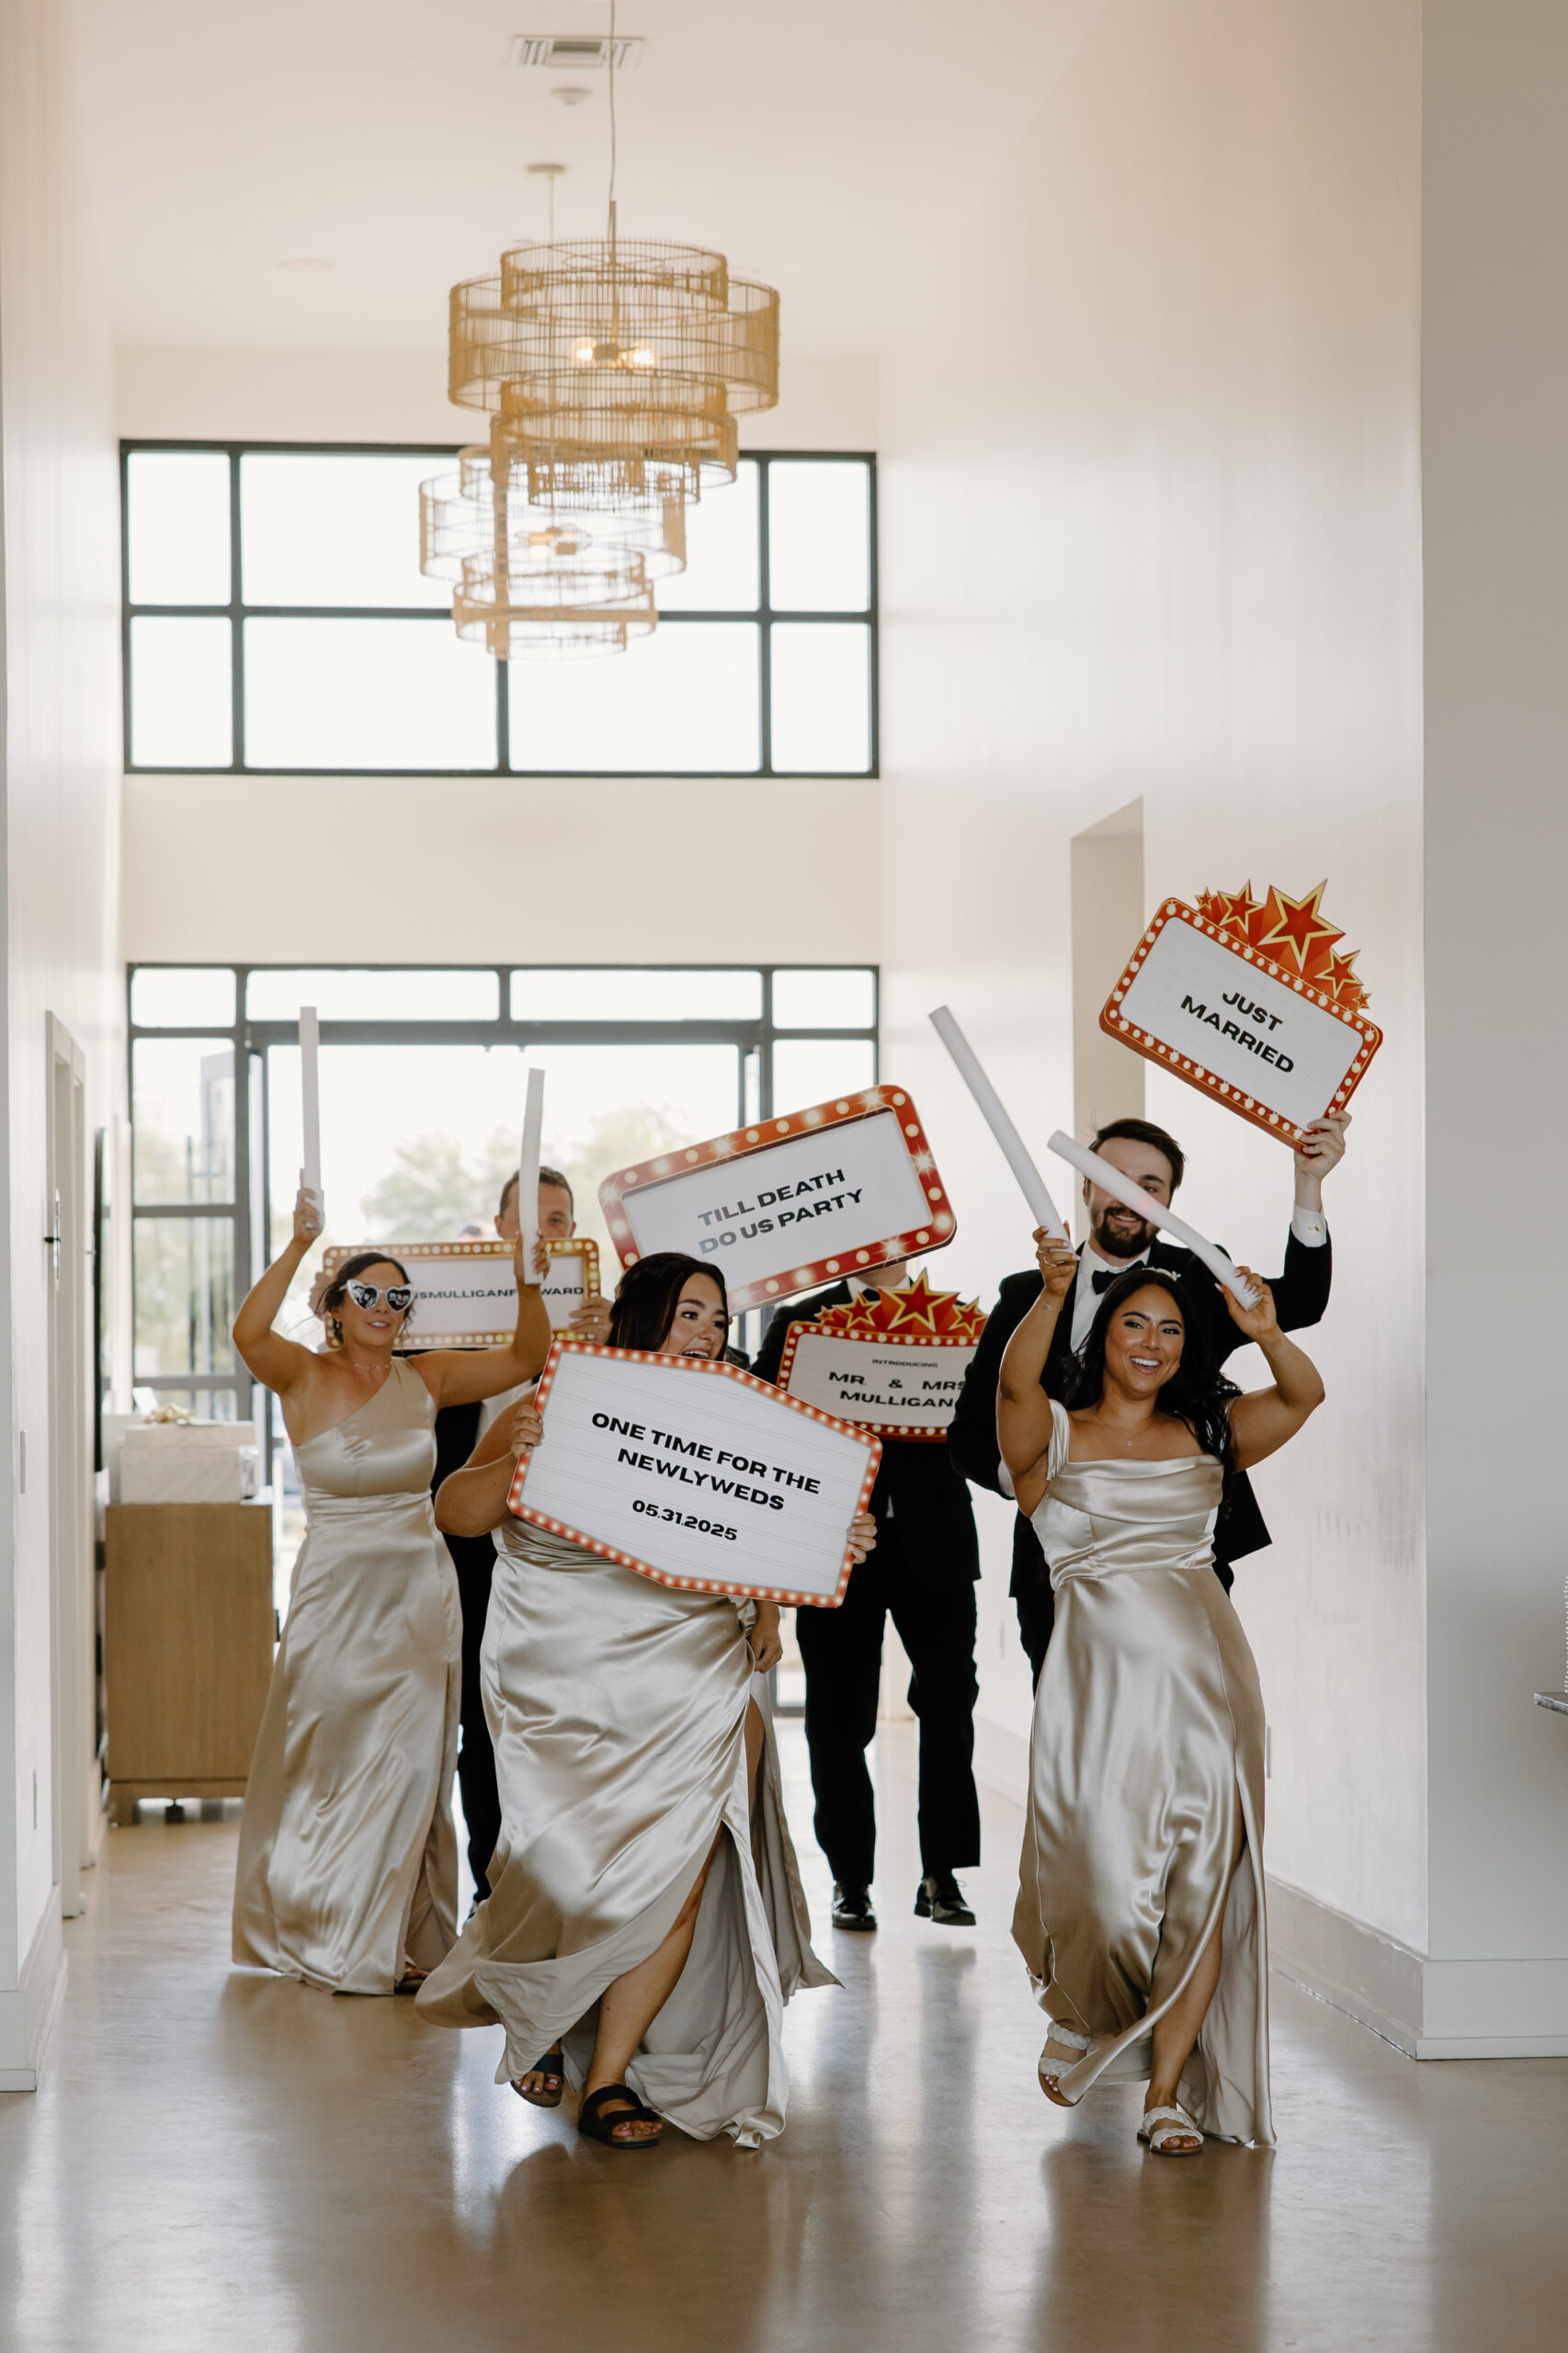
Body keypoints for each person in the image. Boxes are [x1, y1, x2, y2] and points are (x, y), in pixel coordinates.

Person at [417, 1252, 877, 2150]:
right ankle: (542, 2014)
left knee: (680, 1873)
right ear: (641, 1317)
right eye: (689, 1313)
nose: (708, 1332)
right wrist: (519, 1452)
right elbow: (454, 1512)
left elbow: (768, 1533)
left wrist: (827, 1546)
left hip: (696, 1671)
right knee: (558, 1868)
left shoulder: (744, 1419)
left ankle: (608, 2075)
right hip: (561, 1682)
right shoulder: (558, 1397)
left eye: (717, 1319)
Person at [1000, 1233, 1324, 2154]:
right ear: (1101, 1333)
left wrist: (1262, 1328)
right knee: (1095, 1890)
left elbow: (1303, 1394)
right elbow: (1015, 1390)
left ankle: (1164, 2096)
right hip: (1093, 1694)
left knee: (1201, 1889)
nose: (1150, 1341)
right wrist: (1047, 1294)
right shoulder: (1050, 1439)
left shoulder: (1209, 1430)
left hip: (1209, 1682)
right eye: (1132, 1322)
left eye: (1171, 1330)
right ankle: (1084, 2009)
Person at [232, 1189, 551, 1995]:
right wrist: (302, 1242)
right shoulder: (301, 1374)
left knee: (412, 1764)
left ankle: (392, 1936)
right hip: (336, 1594)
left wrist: (531, 1283)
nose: (383, 1307)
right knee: (330, 1759)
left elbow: (524, 1360)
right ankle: (319, 1923)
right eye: (366, 1294)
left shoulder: (429, 1376)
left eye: (397, 1297)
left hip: (417, 1589)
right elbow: (246, 1333)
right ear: (336, 1309)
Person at [949, 1113, 1343, 1682]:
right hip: (1058, 1564)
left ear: (1168, 1201)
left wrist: (1310, 1182)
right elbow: (970, 1437)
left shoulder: (1201, 1275)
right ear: (1085, 1185)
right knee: (1074, 1728)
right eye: (1113, 1178)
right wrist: (1039, 1476)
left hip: (1184, 1553)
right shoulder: (1023, 1296)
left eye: (1150, 1187)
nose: (1131, 1197)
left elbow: (1301, 1301)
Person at [755, 1263, 982, 1934]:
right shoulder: (801, 1320)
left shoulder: (952, 1316)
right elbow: (765, 1414)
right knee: (837, 1718)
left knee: (949, 1703)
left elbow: (985, 1419)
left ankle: (944, 1873)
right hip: (835, 1544)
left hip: (935, 1539)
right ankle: (849, 1880)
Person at [431, 1166, 610, 1906]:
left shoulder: (600, 1321)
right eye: (528, 1221)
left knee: (565, 1720)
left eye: (559, 1221)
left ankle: (568, 1885)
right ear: (501, 1228)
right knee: (482, 1719)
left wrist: (606, 1347)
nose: (543, 1235)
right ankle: (490, 1887)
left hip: (565, 1558)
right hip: (470, 1539)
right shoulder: (442, 1310)